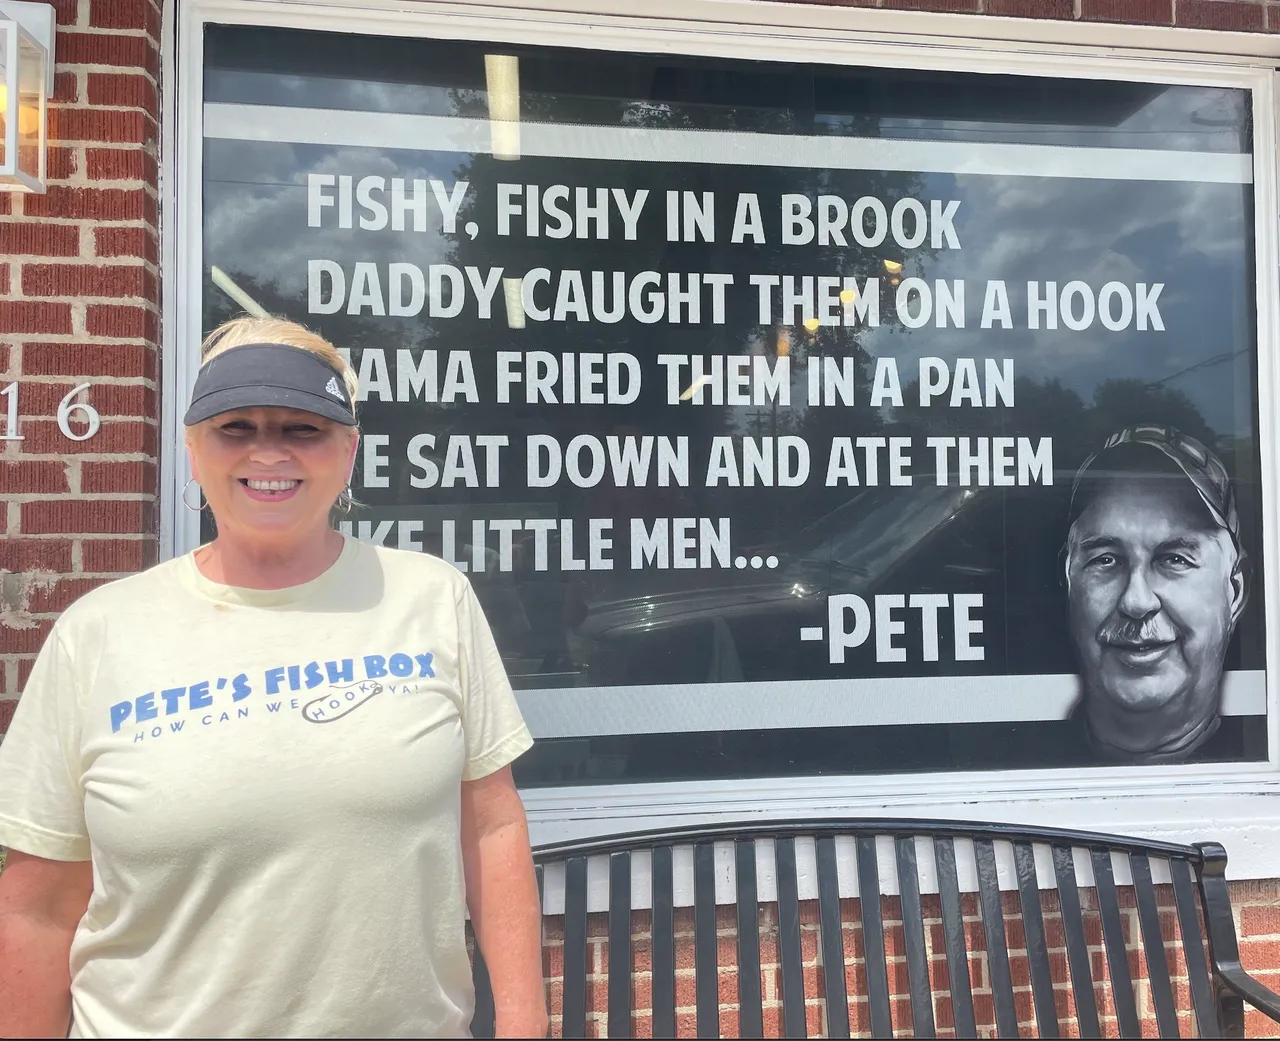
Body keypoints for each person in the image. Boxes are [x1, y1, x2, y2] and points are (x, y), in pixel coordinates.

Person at [0, 316, 548, 1038]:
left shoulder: (431, 598)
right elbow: (38, 904)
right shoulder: (97, 634)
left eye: (302, 428)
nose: (269, 451)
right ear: (193, 451)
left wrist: (524, 1021)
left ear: (346, 452)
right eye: (236, 427)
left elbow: (493, 823)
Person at [1063, 425, 1247, 763]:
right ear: (1070, 585)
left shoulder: (1258, 763)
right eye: (1106, 559)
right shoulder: (1007, 764)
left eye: (1174, 559)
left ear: (1234, 592)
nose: (1136, 601)